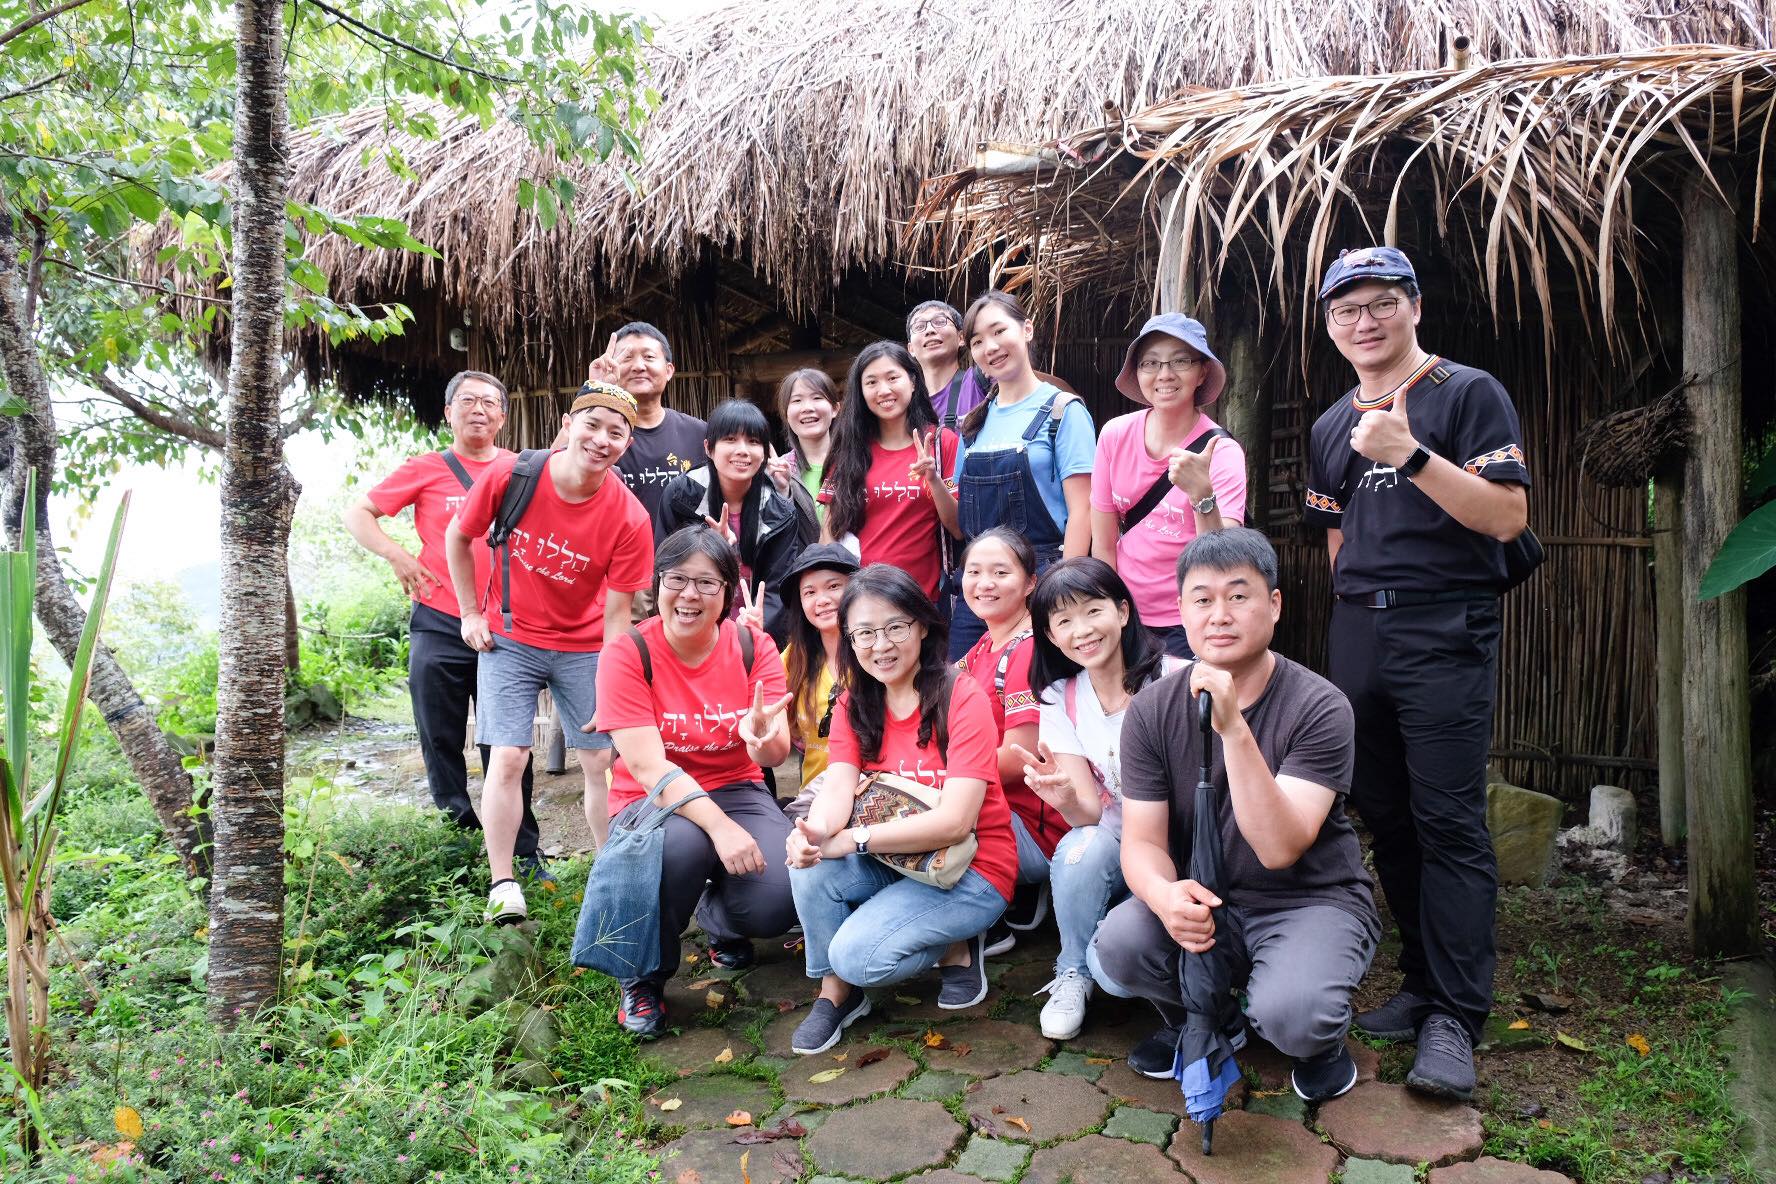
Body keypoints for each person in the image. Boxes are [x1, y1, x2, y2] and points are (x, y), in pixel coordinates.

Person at [1304, 246, 1530, 1100]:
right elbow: (1335, 538)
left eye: (1380, 303)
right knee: (1387, 817)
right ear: (1331, 326)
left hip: (1445, 622)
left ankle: (1456, 1018)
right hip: (1360, 628)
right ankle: (1421, 981)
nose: (1363, 322)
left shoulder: (1466, 393)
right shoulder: (1330, 424)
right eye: (1346, 310)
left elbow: (1507, 516)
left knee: (1449, 823)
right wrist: (1358, 611)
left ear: (1414, 307)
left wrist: (1410, 455)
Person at [1087, 528, 1379, 1103]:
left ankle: (1317, 1042)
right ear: (1181, 611)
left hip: (1306, 899)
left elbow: (1279, 847)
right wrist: (1165, 897)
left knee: (1294, 1014)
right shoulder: (1151, 709)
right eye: (1202, 599)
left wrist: (1234, 730)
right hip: (1209, 899)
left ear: (1275, 605)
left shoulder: (1320, 706)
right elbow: (1141, 842)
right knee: (1120, 942)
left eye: (1239, 596)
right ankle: (1208, 1016)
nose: (1219, 615)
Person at [784, 565, 1017, 1053]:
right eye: (865, 633)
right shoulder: (854, 702)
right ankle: (836, 993)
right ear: (849, 640)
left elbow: (956, 822)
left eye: (895, 627)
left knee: (858, 956)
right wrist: (815, 833)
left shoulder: (961, 697)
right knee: (809, 867)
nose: (881, 645)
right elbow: (838, 786)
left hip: (972, 868)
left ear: (922, 625)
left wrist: (854, 840)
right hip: (896, 860)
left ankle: (957, 943)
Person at [445, 383, 655, 924]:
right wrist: (469, 613)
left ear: (627, 444)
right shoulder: (514, 475)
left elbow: (617, 617)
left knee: (600, 760)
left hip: (584, 645)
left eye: (616, 433)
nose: (601, 440)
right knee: (509, 756)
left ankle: (609, 875)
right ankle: (503, 882)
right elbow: (459, 537)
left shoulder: (630, 517)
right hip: (510, 637)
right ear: (567, 424)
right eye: (592, 425)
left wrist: (613, 687)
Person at [593, 525, 798, 1037]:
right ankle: (643, 975)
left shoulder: (753, 646)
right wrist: (720, 828)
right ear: (657, 584)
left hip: (736, 787)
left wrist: (760, 739)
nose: (690, 595)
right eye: (677, 579)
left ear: (727, 593)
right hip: (651, 798)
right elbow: (648, 768)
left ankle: (719, 918)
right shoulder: (627, 653)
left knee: (781, 895)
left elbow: (776, 751)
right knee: (680, 846)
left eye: (707, 583)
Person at [342, 370, 543, 874]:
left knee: (506, 744)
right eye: (467, 400)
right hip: (438, 619)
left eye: (489, 402)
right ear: (449, 412)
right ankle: (460, 842)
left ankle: (523, 850)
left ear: (502, 416)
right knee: (438, 735)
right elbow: (359, 513)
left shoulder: (521, 469)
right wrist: (397, 556)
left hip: (502, 626)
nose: (479, 409)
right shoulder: (426, 468)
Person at [1015, 556, 1180, 1040]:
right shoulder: (1060, 697)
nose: (1082, 630)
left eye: (1093, 611)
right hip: (1117, 840)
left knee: (1116, 975)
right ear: (1050, 636)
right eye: (1064, 620)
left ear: (1123, 612)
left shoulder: (1176, 680)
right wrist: (1064, 797)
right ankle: (1072, 969)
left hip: (1180, 844)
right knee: (1078, 848)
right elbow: (1087, 813)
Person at [1090, 313, 1248, 657]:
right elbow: (1103, 544)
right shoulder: (1114, 435)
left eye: (1180, 361)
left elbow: (1222, 559)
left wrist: (1202, 495)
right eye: (1150, 363)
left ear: (1201, 372)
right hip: (1126, 615)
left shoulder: (1221, 452)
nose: (1164, 374)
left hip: (1191, 620)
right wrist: (1110, 612)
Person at [950, 290, 1097, 658]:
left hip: (1042, 579)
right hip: (979, 589)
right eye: (977, 341)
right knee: (961, 680)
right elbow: (960, 521)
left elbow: (1083, 511)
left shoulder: (1063, 411)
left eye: (999, 331)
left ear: (1027, 330)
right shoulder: (972, 425)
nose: (990, 347)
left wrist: (1064, 592)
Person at [954, 528, 1054, 951]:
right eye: (974, 571)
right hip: (1002, 811)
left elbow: (1018, 758)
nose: (984, 583)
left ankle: (984, 919)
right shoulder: (986, 644)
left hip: (1035, 827)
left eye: (1000, 572)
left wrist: (940, 778)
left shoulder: (1026, 650)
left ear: (1030, 582)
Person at [659, 399, 818, 646]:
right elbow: (665, 571)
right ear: (709, 448)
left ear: (765, 452)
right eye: (730, 439)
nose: (743, 450)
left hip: (752, 632)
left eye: (753, 441)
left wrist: (753, 638)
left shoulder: (779, 512)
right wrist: (714, 551)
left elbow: (777, 591)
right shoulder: (681, 496)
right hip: (691, 626)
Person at [819, 342, 961, 601]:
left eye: (893, 378)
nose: (883, 390)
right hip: (860, 599)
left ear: (913, 382)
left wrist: (933, 480)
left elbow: (958, 528)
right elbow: (829, 533)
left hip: (921, 601)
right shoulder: (848, 449)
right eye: (871, 382)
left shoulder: (941, 443)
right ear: (861, 391)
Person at [584, 321, 707, 524]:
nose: (638, 366)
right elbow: (552, 467)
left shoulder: (699, 433)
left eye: (649, 357)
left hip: (687, 545)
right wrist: (595, 391)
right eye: (627, 357)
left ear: (669, 370)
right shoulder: (597, 438)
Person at [777, 543, 861, 800]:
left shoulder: (878, 651)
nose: (822, 600)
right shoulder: (793, 658)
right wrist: (753, 644)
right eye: (810, 592)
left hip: (871, 791)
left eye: (833, 586)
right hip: (814, 798)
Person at [906, 300, 986, 430]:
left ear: (961, 338)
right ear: (911, 349)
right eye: (919, 326)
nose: (930, 330)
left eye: (940, 321)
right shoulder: (905, 405)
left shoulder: (983, 380)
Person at [769, 368, 840, 510]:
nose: (807, 408)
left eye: (817, 398)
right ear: (785, 414)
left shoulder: (859, 462)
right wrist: (782, 491)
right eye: (797, 400)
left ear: (835, 409)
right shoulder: (775, 472)